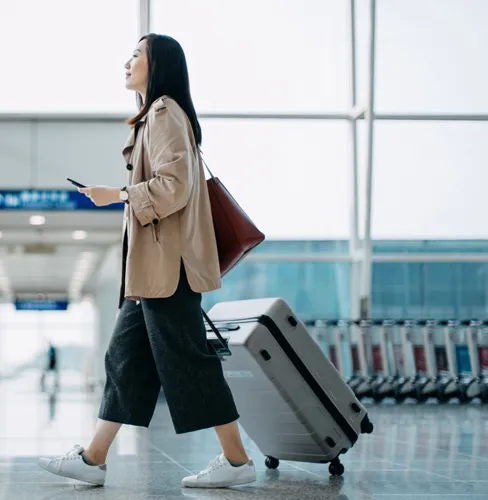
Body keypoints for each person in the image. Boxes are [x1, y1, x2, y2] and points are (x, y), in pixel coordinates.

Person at [37, 34, 256, 489]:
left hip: (167, 269)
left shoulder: (162, 113)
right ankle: (93, 458)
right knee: (125, 358)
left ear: (158, 65)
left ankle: (237, 461)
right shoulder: (153, 117)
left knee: (188, 360)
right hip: (151, 272)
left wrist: (114, 195)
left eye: (137, 54)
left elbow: (173, 187)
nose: (128, 61)